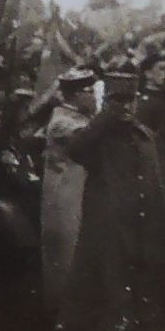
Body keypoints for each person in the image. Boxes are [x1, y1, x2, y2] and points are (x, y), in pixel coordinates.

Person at [57, 71, 165, 331]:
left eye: (130, 100)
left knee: (148, 305)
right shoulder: (97, 139)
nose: (126, 108)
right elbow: (76, 149)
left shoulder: (146, 136)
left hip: (150, 233)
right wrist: (105, 119)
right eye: (118, 100)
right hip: (113, 235)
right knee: (116, 303)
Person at [41, 69, 96, 316]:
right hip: (65, 196)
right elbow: (91, 137)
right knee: (67, 250)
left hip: (79, 191)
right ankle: (64, 309)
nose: (93, 96)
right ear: (75, 95)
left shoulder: (81, 116)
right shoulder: (62, 121)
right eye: (89, 92)